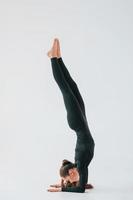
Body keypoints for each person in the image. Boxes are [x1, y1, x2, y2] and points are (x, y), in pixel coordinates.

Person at [46, 38, 95, 193]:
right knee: (72, 87)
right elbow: (81, 189)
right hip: (82, 122)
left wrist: (61, 188)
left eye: (68, 177)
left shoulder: (79, 164)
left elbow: (78, 188)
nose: (72, 176)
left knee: (66, 90)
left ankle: (53, 58)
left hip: (77, 123)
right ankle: (58, 58)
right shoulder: (82, 169)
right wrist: (62, 186)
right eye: (70, 178)